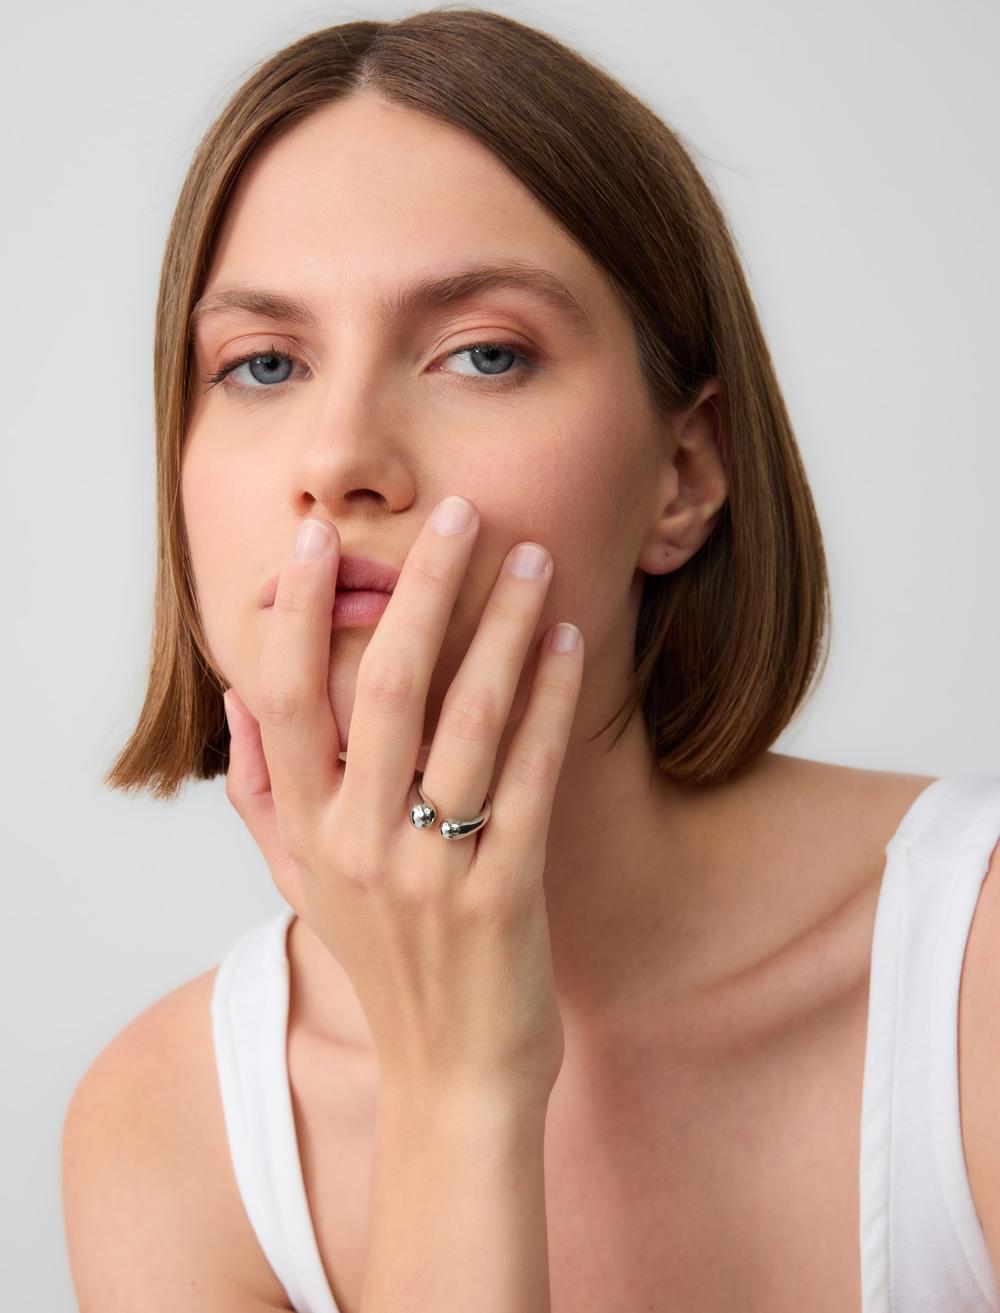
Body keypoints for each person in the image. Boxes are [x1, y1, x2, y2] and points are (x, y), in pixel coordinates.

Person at [60, 9, 1000, 1312]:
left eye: (482, 352)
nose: (338, 457)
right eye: (263, 363)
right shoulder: (170, 1129)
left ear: (685, 473)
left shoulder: (978, 978)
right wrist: (461, 1086)